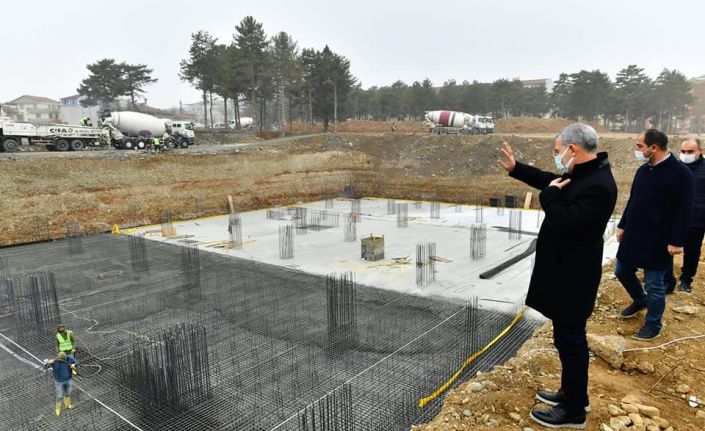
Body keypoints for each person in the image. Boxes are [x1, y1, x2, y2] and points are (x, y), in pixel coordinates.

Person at [499, 123, 617, 429]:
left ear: (573, 149)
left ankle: (575, 409)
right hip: (567, 272)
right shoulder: (585, 172)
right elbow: (550, 180)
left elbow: (565, 220)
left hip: (574, 278)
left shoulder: (600, 185)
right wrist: (517, 168)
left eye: (557, 151)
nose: (557, 157)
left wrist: (548, 197)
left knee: (571, 341)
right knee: (565, 338)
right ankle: (571, 392)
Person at [616, 129, 694, 340]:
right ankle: (640, 299)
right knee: (621, 270)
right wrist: (623, 225)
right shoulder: (643, 170)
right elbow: (633, 201)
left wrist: (676, 241)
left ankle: (653, 324)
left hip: (659, 239)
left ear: (654, 147)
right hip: (634, 233)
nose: (636, 150)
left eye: (640, 146)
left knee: (655, 285)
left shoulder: (680, 174)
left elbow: (685, 211)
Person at [664, 138, 705, 293]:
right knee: (666, 249)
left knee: (692, 251)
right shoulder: (675, 168)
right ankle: (668, 281)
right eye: (683, 151)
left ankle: (686, 280)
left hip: (697, 220)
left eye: (690, 152)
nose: (685, 154)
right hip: (673, 219)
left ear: (700, 151)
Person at [43, 351, 77, 416]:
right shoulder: (55, 362)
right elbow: (45, 367)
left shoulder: (69, 359)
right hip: (59, 382)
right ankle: (58, 409)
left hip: (68, 380)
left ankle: (67, 405)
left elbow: (76, 362)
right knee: (59, 395)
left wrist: (74, 365)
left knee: (68, 393)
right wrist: (48, 363)